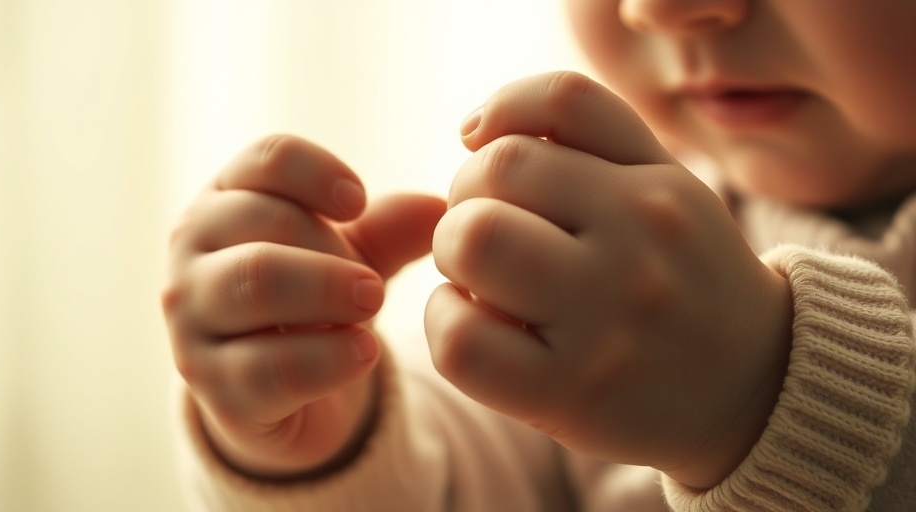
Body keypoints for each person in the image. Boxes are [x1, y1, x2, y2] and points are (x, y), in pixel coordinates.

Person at [161, 1, 916, 510]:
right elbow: (486, 475)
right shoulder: (622, 240)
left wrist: (759, 403)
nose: (658, 8)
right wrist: (328, 442)